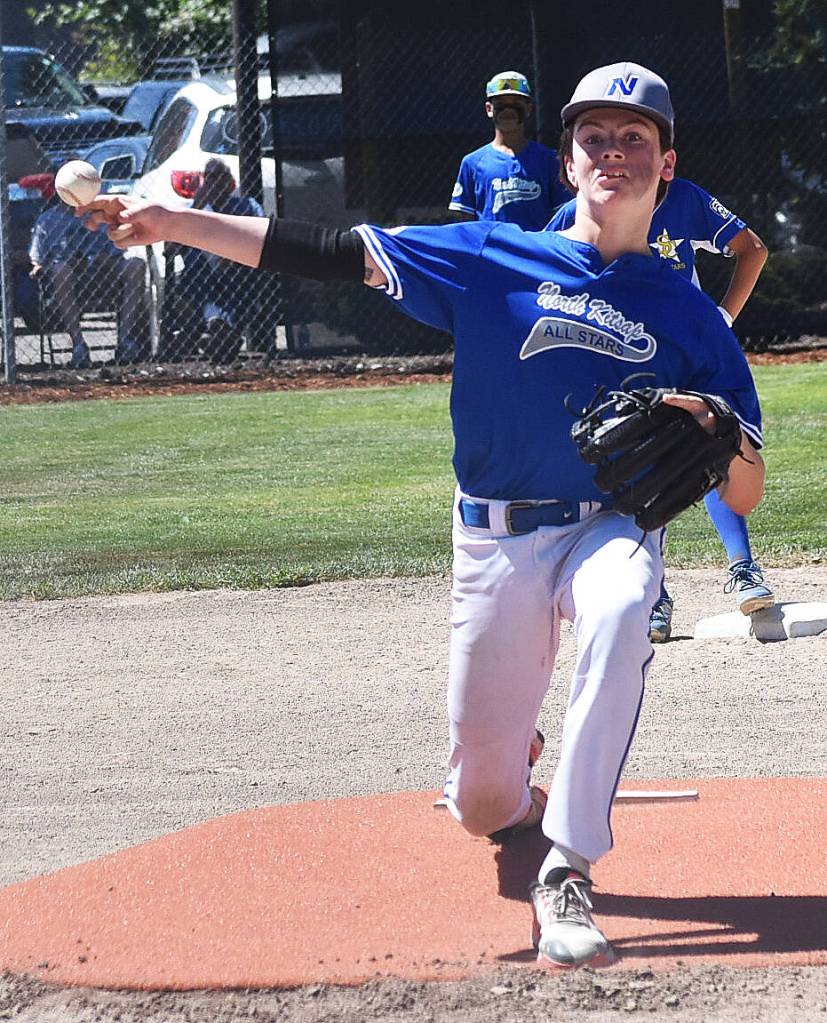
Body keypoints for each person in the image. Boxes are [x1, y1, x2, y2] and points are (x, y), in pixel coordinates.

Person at [79, 61, 765, 971]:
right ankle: (513, 783)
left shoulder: (688, 311)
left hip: (609, 525)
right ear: (567, 163)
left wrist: (719, 432)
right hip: (494, 536)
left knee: (623, 603)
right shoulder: (492, 254)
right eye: (593, 135)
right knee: (480, 803)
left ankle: (569, 863)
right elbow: (329, 248)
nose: (613, 150)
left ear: (665, 165)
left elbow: (747, 487)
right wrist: (174, 222)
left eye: (633, 137)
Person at [546, 176, 772, 641]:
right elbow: (538, 266)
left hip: (684, 348)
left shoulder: (686, 198)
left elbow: (753, 248)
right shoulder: (582, 211)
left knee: (710, 445)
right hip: (621, 355)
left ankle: (742, 569)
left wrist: (721, 319)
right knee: (640, 460)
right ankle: (656, 593)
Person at [28, 174, 146, 368]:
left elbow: (116, 250)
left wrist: (104, 259)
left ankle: (125, 341)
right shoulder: (47, 220)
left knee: (135, 264)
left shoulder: (100, 216)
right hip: (66, 277)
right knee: (61, 270)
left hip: (103, 275)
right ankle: (79, 346)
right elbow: (36, 260)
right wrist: (47, 266)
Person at [448, 71, 570, 230]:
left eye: (516, 104)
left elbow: (562, 216)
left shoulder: (549, 160)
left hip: (536, 250)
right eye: (501, 105)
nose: (508, 111)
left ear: (528, 109)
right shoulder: (472, 163)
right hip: (492, 252)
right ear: (489, 109)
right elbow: (466, 224)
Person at [178, 158, 267, 364]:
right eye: (209, 178)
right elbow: (175, 244)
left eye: (220, 177)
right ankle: (223, 332)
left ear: (230, 182)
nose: (215, 184)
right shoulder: (195, 210)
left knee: (236, 280)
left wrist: (235, 253)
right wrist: (198, 203)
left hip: (239, 268)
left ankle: (219, 330)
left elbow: (262, 234)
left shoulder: (247, 206)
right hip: (204, 273)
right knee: (198, 269)